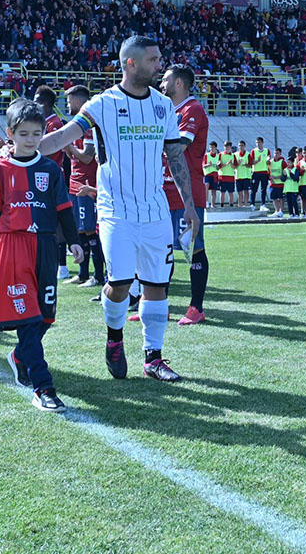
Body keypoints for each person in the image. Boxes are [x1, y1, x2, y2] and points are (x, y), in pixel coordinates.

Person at [38, 35, 199, 383]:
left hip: (155, 210)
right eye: (153, 61)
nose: (160, 66)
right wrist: (26, 149)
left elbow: (175, 156)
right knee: (121, 282)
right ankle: (114, 339)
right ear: (131, 63)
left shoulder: (162, 105)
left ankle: (153, 358)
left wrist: (189, 206)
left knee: (158, 286)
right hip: (116, 210)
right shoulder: (102, 104)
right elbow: (64, 136)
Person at [0, 99, 83, 412]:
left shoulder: (50, 169)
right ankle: (43, 387)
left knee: (45, 317)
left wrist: (75, 242)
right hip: (12, 247)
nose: (30, 139)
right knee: (27, 319)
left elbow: (64, 209)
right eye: (23, 133)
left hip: (45, 247)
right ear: (11, 133)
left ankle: (19, 355)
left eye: (36, 133)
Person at [159, 64, 211, 326]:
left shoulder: (193, 109)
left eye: (166, 79)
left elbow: (180, 145)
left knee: (193, 249)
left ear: (179, 83)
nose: (161, 83)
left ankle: (196, 308)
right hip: (164, 192)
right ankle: (161, 306)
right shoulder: (170, 109)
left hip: (187, 192)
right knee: (161, 250)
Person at [63, 84, 105, 288]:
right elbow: (74, 157)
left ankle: (98, 275)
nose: (67, 104)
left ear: (78, 102)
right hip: (75, 184)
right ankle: (83, 273)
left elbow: (87, 158)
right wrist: (68, 149)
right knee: (81, 231)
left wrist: (69, 146)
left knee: (91, 231)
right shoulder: (76, 125)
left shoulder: (88, 127)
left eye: (69, 101)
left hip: (88, 185)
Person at [34, 85, 69, 279]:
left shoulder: (54, 123)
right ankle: (53, 262)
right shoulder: (44, 122)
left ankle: (62, 265)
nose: (34, 104)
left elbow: (51, 150)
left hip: (52, 178)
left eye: (37, 101)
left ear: (45, 104)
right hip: (43, 177)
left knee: (56, 223)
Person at [251, 137, 271, 209]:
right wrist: (257, 161)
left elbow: (269, 161)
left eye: (259, 142)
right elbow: (251, 162)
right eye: (256, 142)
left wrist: (268, 160)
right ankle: (252, 204)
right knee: (254, 189)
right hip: (256, 172)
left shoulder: (267, 150)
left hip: (264, 172)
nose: (257, 144)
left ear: (262, 142)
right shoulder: (253, 151)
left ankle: (263, 204)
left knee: (264, 189)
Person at [269, 147, 287, 218]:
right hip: (273, 183)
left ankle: (281, 211)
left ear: (280, 154)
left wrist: (278, 177)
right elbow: (268, 171)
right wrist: (270, 178)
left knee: (281, 198)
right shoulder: (270, 162)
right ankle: (276, 210)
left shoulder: (282, 162)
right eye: (275, 153)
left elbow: (285, 172)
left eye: (277, 153)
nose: (276, 155)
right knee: (274, 197)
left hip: (280, 183)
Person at [217, 141, 236, 207]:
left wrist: (231, 164)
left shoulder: (233, 155)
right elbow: (218, 166)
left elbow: (235, 167)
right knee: (222, 192)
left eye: (228, 146)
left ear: (231, 147)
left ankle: (231, 206)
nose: (227, 148)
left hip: (231, 176)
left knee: (231, 193)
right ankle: (221, 205)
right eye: (225, 146)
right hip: (222, 176)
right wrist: (226, 164)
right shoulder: (220, 154)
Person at [234, 140, 252, 210]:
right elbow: (234, 166)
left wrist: (246, 165)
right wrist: (238, 163)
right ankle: (240, 205)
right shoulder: (235, 154)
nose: (240, 147)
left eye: (242, 145)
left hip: (246, 176)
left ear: (244, 146)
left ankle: (246, 204)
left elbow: (250, 165)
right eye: (239, 146)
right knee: (239, 192)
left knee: (246, 191)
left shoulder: (248, 154)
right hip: (238, 176)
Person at [203, 142, 220, 208]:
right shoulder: (206, 155)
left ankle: (213, 204)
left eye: (213, 147)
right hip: (207, 174)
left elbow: (218, 168)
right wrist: (208, 165)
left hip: (215, 175)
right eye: (210, 147)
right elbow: (204, 166)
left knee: (214, 190)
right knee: (206, 186)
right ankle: (206, 202)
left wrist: (218, 166)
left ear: (216, 148)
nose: (211, 149)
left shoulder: (218, 156)